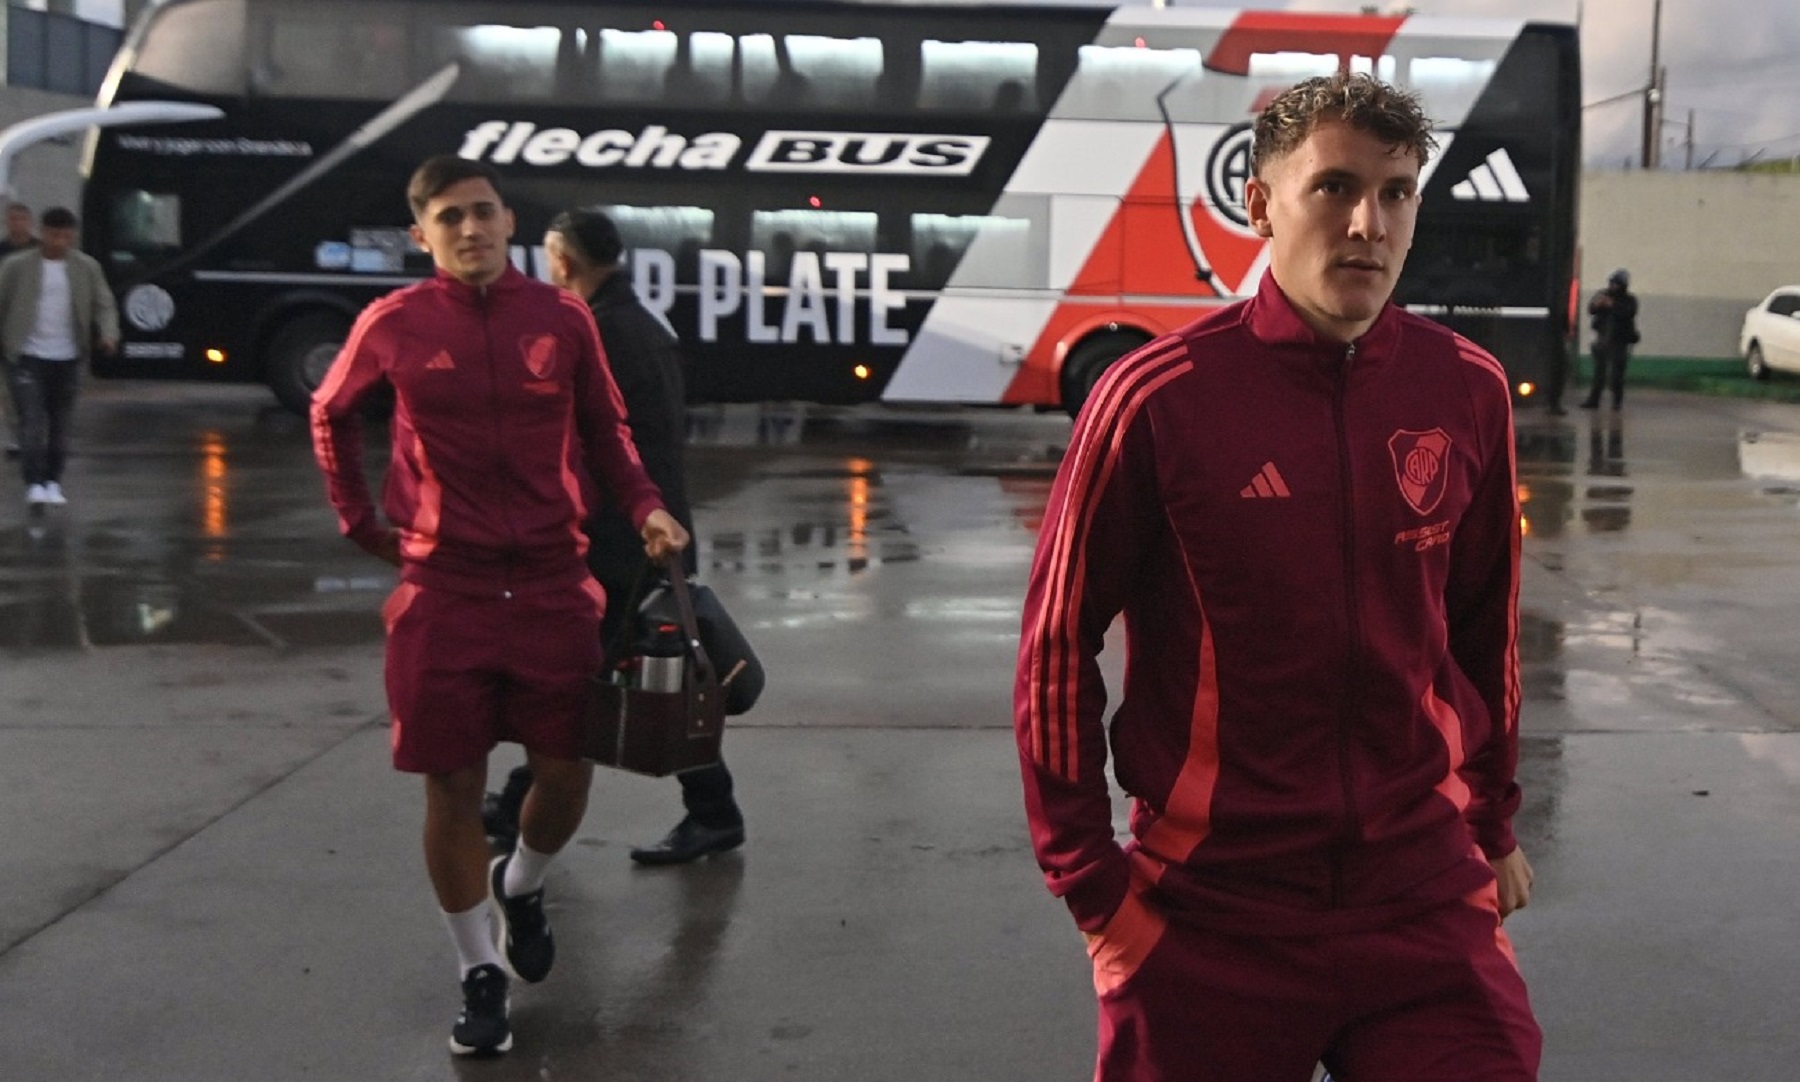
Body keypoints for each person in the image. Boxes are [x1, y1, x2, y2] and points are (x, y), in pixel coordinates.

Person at [1014, 72, 1540, 1081]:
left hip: (1420, 896)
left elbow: (1485, 628)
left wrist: (1491, 818)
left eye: (1395, 194)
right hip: (1213, 913)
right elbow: (1055, 645)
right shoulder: (1154, 396)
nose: (1367, 224)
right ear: (1258, 203)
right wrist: (1094, 891)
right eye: (1334, 188)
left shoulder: (1466, 387)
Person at [310, 155, 689, 1058]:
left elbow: (607, 429)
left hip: (557, 583)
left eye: (483, 213)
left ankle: (521, 881)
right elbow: (330, 411)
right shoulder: (393, 322)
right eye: (450, 218)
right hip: (446, 590)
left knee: (566, 771)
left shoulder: (561, 318)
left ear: (509, 221)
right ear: (423, 235)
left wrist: (646, 507)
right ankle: (479, 969)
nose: (471, 230)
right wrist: (362, 524)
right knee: (451, 784)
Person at [483, 208, 747, 866]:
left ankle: (711, 811)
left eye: (548, 255)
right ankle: (526, 796)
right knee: (612, 679)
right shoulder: (639, 319)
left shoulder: (600, 331)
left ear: (565, 261)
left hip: (622, 540)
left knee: (599, 679)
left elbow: (602, 446)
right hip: (649, 529)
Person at [0, 207, 118, 507]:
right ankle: (33, 482)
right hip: (26, 354)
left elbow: (104, 303)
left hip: (68, 356)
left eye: (66, 236)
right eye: (54, 235)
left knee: (61, 423)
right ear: (43, 232)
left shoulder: (86, 268)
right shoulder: (17, 266)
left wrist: (108, 333)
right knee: (32, 421)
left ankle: (53, 481)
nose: (60, 242)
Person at [1581, 268, 1639, 410]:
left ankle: (1617, 402)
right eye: (1612, 283)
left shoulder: (1629, 299)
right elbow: (1591, 309)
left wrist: (1612, 305)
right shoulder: (1603, 294)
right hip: (1603, 338)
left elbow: (1628, 312)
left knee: (1617, 375)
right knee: (1599, 373)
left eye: (1616, 284)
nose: (1613, 286)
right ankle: (1594, 400)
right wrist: (1598, 305)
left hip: (1620, 340)